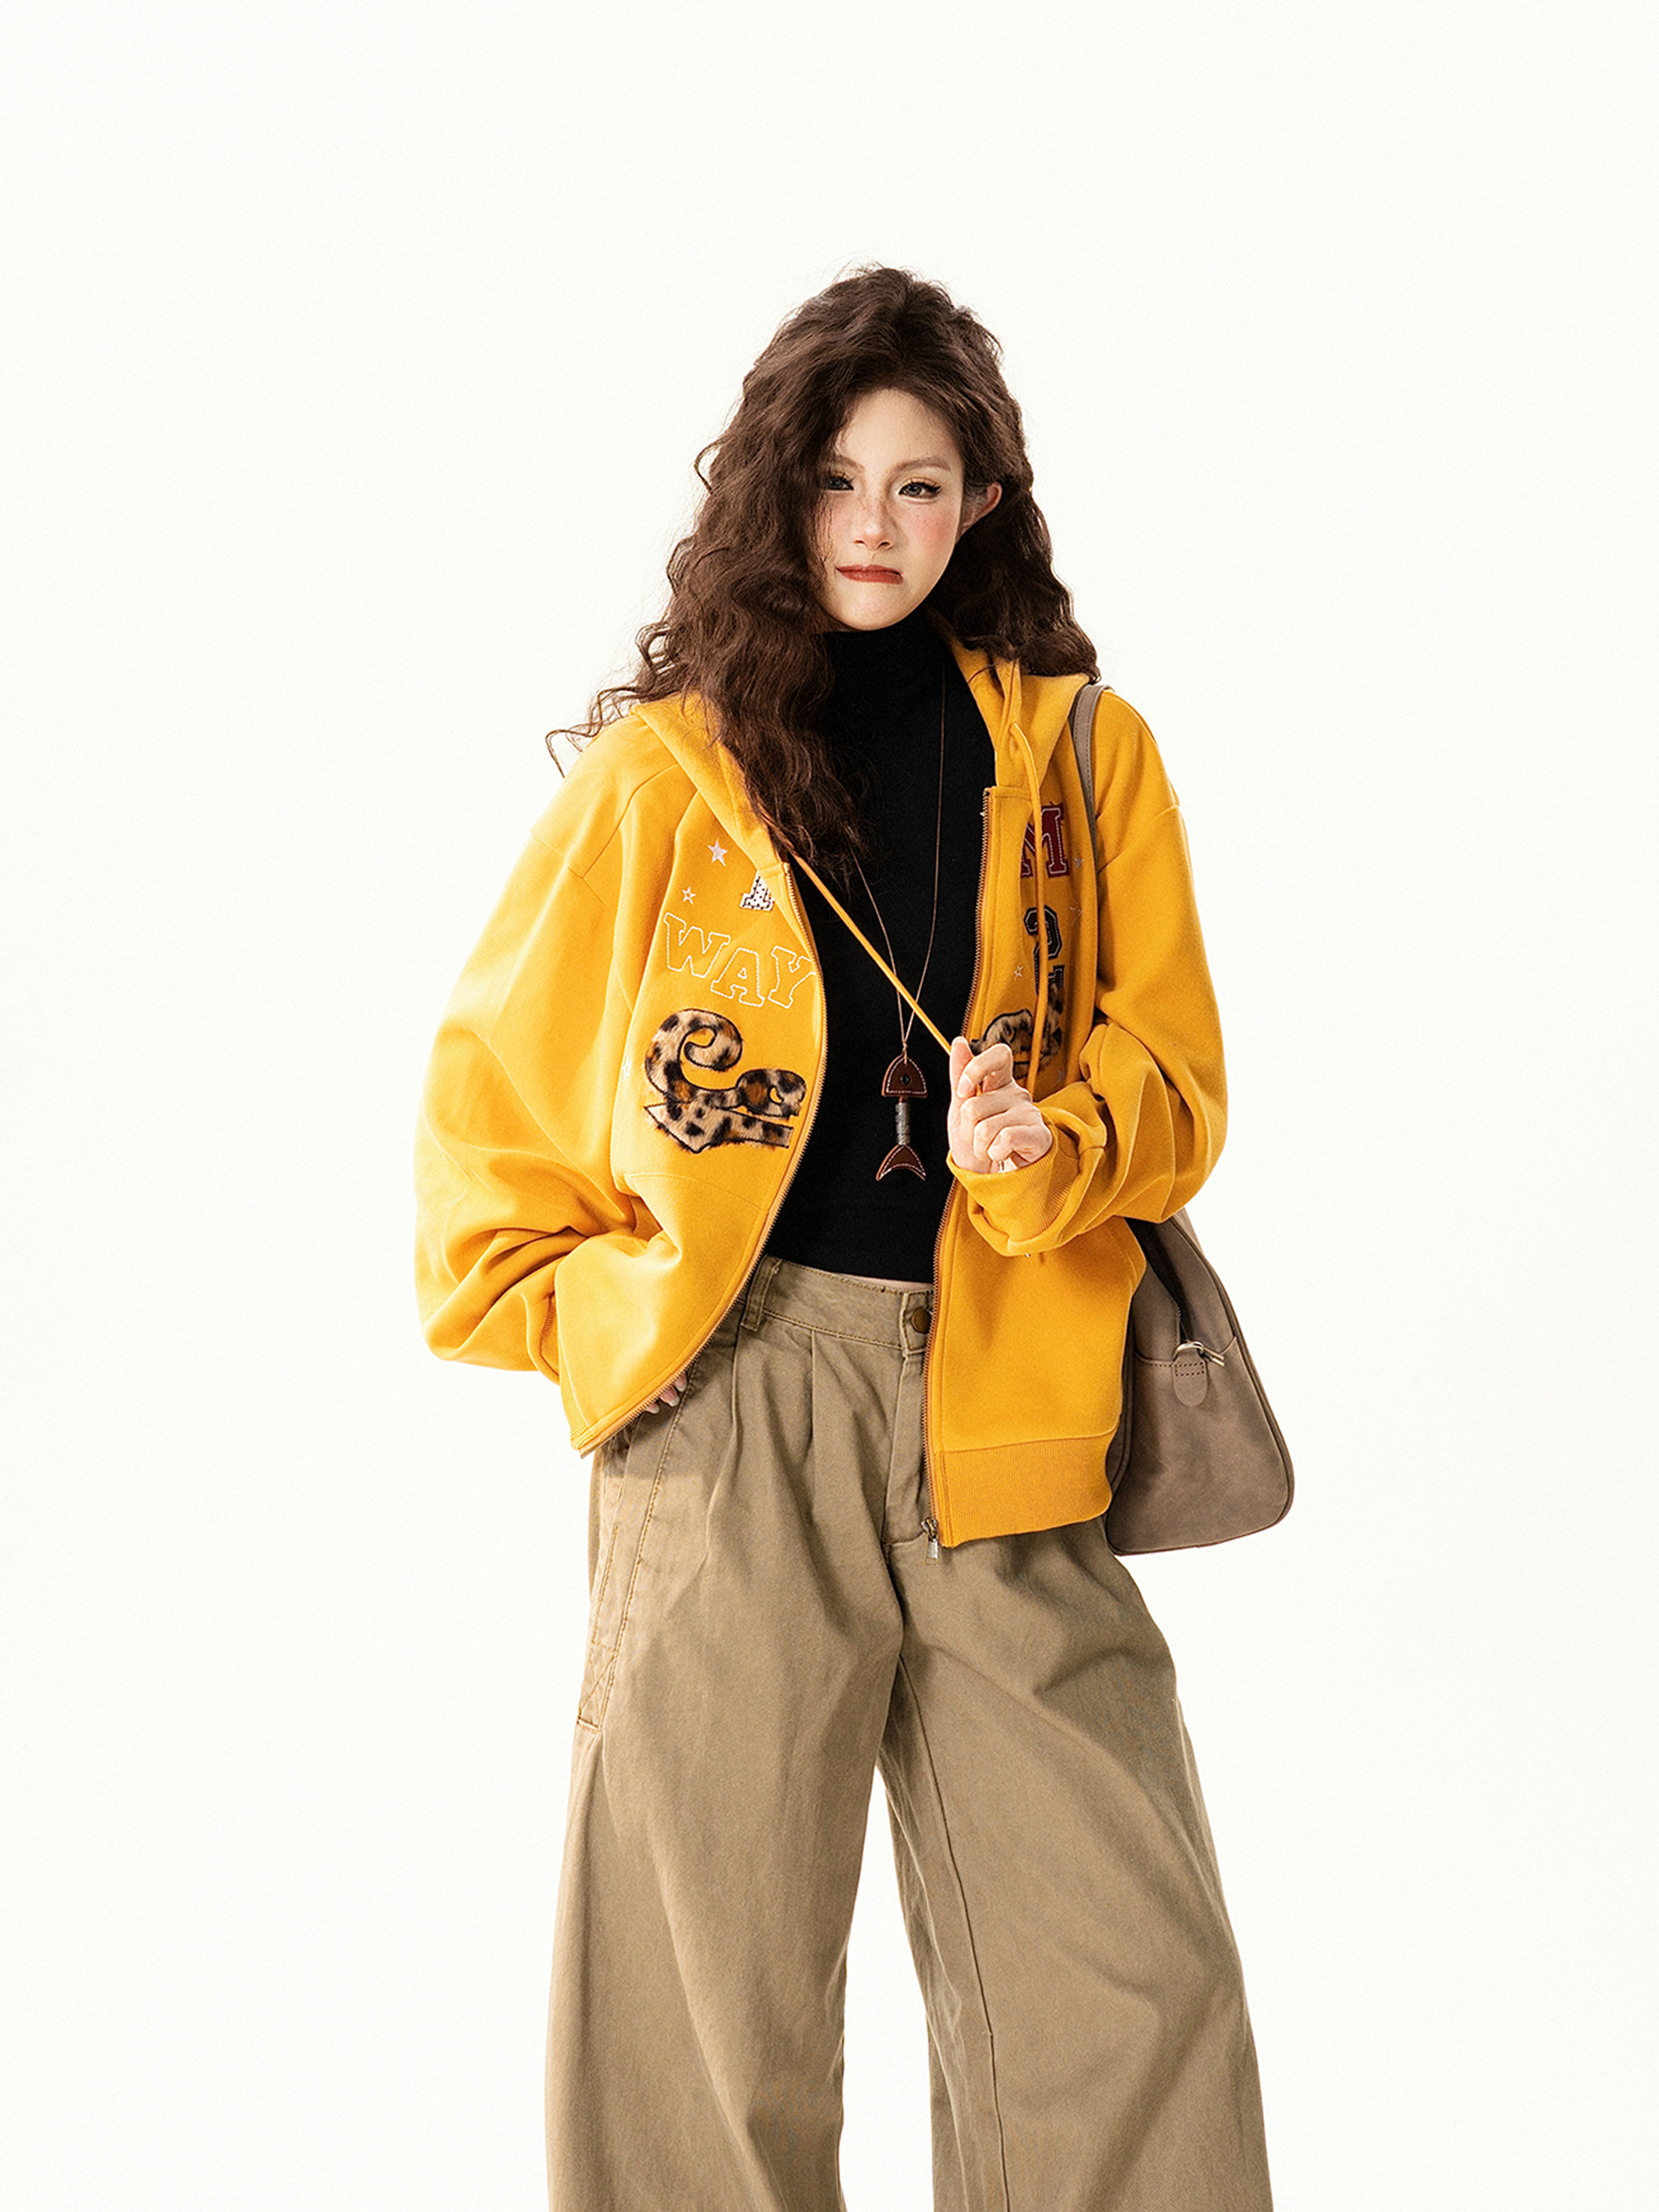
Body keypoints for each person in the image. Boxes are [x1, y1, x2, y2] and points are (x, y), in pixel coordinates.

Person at [414, 265, 1274, 2212]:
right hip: (731, 1402)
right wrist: (616, 1327)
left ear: (984, 505)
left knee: (1130, 1989)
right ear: (772, 490)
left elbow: (1179, 1079)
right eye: (834, 480)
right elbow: (488, 1114)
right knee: (702, 2013)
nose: (873, 525)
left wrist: (1050, 1143)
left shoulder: (1085, 757)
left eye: (919, 484)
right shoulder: (667, 774)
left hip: (1009, 1404)